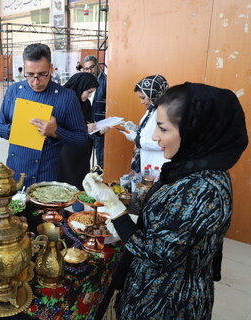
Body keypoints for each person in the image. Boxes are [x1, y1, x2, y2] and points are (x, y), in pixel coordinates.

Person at [84, 83, 248, 320]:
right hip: (148, 289)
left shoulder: (205, 190)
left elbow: (156, 252)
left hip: (167, 302)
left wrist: (115, 208)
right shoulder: (188, 169)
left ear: (196, 131)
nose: (153, 136)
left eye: (162, 129)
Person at [0, 43, 88, 187]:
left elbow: (81, 138)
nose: (36, 81)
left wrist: (56, 132)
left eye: (42, 74)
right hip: (15, 171)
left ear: (51, 68)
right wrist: (16, 130)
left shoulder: (67, 97)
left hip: (48, 175)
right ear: (24, 69)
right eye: (30, 74)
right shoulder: (14, 91)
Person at [58, 72, 109, 212]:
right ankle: (63, 216)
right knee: (68, 185)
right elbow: (58, 127)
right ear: (81, 86)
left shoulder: (85, 103)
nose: (89, 96)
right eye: (89, 92)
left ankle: (78, 216)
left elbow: (88, 124)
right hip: (68, 151)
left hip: (83, 152)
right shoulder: (64, 100)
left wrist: (98, 130)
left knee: (81, 184)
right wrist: (84, 128)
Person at [121, 74, 169, 174]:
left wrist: (137, 139)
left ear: (153, 94)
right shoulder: (152, 109)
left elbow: (164, 144)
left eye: (143, 97)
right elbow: (149, 130)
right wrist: (135, 129)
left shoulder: (165, 113)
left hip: (156, 164)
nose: (142, 102)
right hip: (146, 161)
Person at [83, 55, 107, 167]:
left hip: (99, 126)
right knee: (84, 158)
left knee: (100, 160)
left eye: (92, 67)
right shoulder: (84, 82)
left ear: (97, 66)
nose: (90, 70)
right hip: (87, 126)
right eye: (87, 68)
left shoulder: (106, 81)